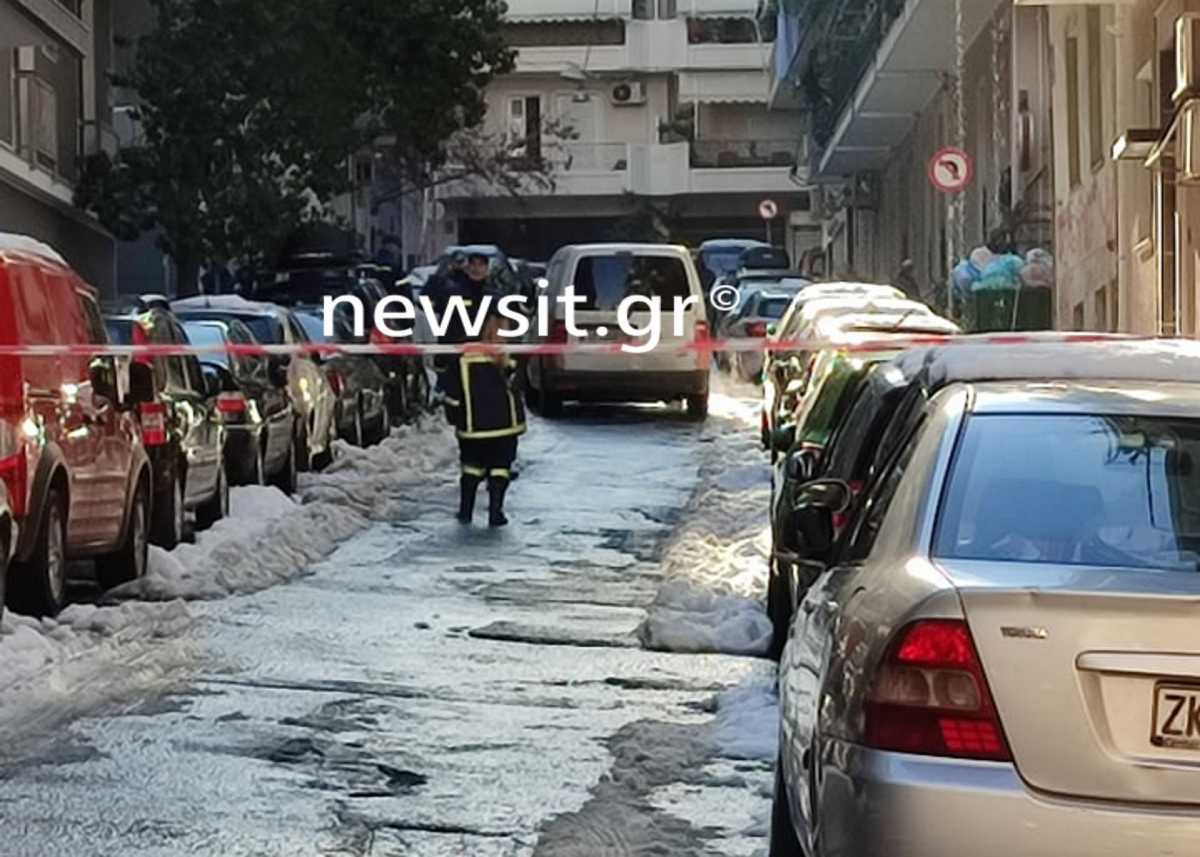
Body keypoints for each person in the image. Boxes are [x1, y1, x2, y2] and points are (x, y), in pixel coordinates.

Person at [444, 311, 526, 527]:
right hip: (505, 426)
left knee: (471, 467)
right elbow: (519, 388)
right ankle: (496, 513)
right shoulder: (511, 356)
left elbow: (453, 392)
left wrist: (453, 415)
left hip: (473, 426)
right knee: (500, 468)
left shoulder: (463, 356)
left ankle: (465, 511)